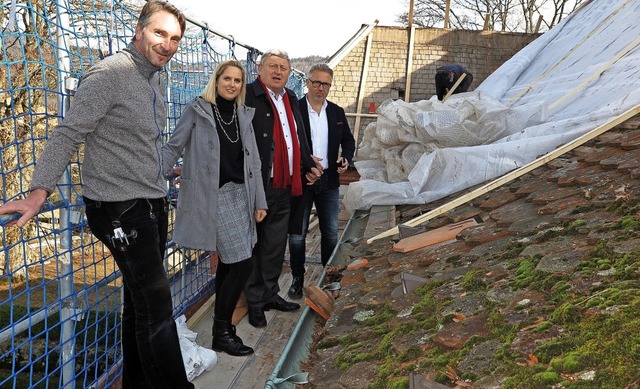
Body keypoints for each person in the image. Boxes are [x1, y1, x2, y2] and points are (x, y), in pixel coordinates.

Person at [0, 2, 193, 388]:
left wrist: (160, 168)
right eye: (159, 33)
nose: (167, 45)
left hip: (151, 201)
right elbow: (69, 133)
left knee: (138, 306)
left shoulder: (155, 78)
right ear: (139, 31)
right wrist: (39, 193)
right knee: (157, 305)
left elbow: (138, 141)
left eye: (174, 38)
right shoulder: (110, 74)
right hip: (120, 208)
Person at [161, 60, 267, 356]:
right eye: (227, 79)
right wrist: (151, 174)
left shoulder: (243, 114)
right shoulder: (198, 110)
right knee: (242, 261)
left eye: (237, 80)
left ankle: (222, 329)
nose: (232, 84)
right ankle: (222, 330)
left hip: (242, 196)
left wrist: (259, 200)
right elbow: (173, 146)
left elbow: (254, 161)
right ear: (216, 80)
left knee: (233, 262)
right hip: (214, 197)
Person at [244, 49, 322, 328]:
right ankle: (254, 302)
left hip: (286, 184)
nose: (278, 72)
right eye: (272, 66)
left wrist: (306, 164)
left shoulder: (289, 97)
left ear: (289, 73)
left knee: (276, 245)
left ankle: (269, 293)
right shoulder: (248, 95)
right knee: (255, 245)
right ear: (260, 69)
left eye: (283, 68)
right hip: (259, 184)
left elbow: (297, 137)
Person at [287, 63, 355, 299]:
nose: (320, 88)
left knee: (330, 232)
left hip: (328, 180)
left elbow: (348, 140)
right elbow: (287, 145)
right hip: (302, 180)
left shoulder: (336, 112)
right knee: (297, 233)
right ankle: (297, 279)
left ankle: (328, 277)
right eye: (316, 82)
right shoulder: (293, 109)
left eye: (325, 84)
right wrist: (304, 163)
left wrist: (346, 158)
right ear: (307, 83)